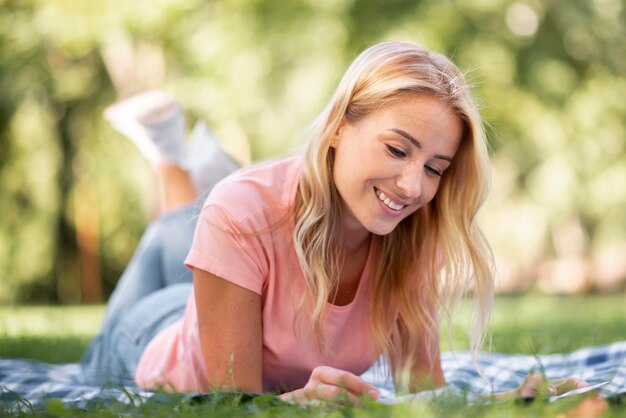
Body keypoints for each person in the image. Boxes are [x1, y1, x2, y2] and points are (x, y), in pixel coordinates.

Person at [81, 40, 586, 403]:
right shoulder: (242, 214)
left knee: (210, 219)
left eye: (435, 168)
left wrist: (513, 399)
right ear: (340, 127)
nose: (413, 186)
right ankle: (171, 155)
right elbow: (230, 403)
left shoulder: (414, 232)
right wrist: (291, 404)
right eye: (396, 149)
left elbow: (422, 395)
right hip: (148, 335)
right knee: (193, 222)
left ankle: (203, 176)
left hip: (239, 259)